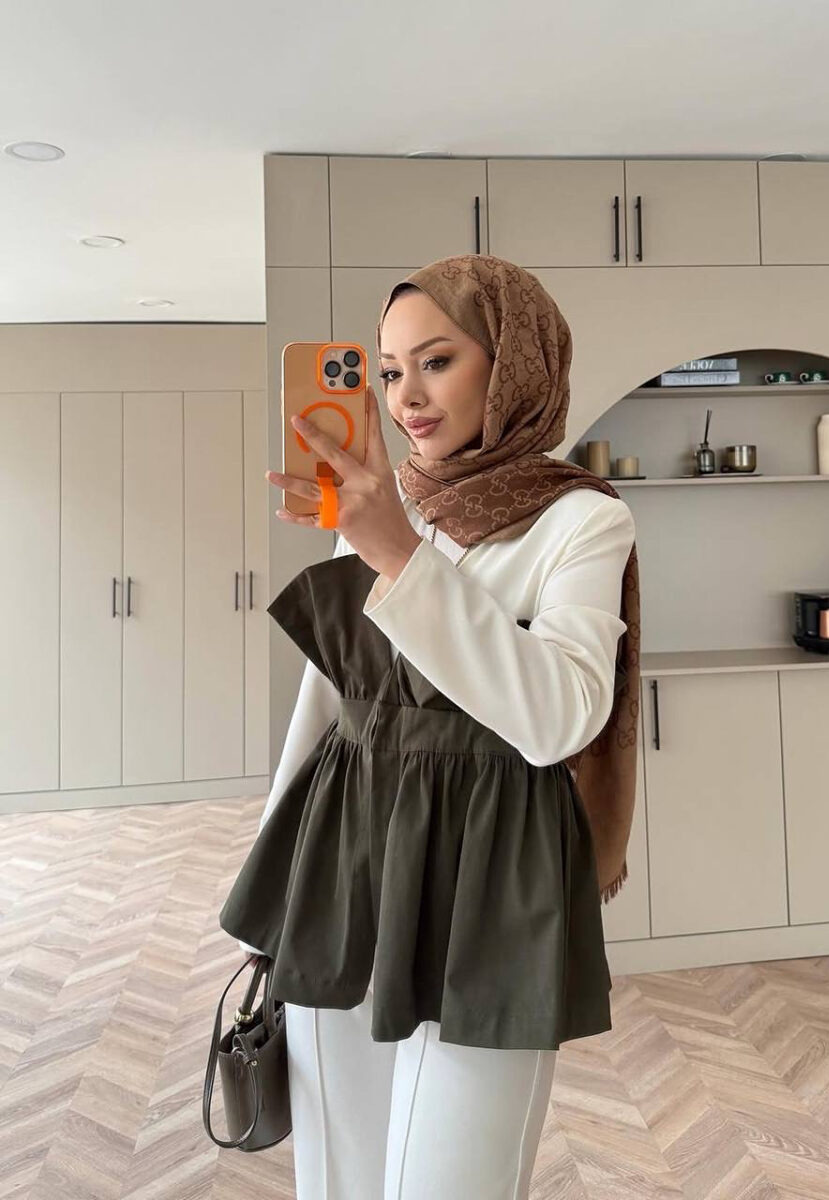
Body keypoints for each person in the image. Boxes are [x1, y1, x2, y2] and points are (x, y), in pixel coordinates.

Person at [219, 254, 641, 1199]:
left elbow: (559, 718)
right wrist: (275, 881)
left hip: (492, 872)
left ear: (514, 363)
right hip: (345, 855)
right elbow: (332, 701)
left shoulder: (580, 520)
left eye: (437, 361)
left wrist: (400, 554)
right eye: (388, 370)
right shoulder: (383, 502)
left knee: (455, 1180)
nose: (405, 396)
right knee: (339, 1174)